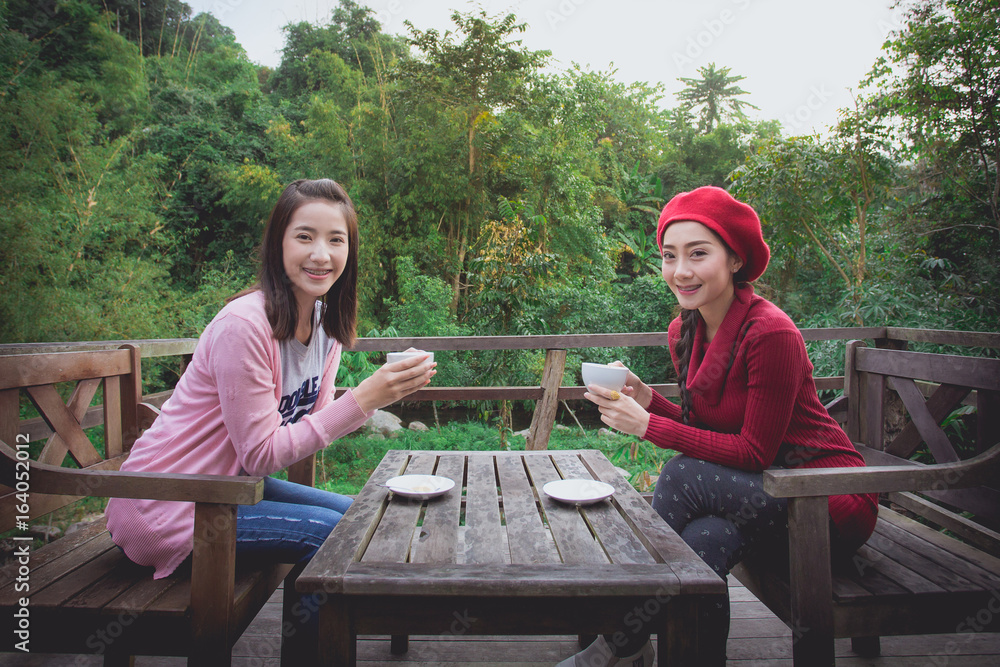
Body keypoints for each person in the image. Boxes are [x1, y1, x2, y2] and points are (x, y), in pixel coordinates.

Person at [105, 178, 435, 644]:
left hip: (226, 488)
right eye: (305, 236)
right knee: (331, 538)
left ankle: (359, 630)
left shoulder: (326, 326)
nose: (321, 253)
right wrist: (365, 398)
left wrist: (378, 396)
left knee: (367, 515)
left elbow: (310, 427)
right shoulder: (245, 325)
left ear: (350, 252)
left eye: (336, 240)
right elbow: (262, 453)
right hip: (165, 504)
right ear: (278, 243)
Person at [558, 186, 877, 667]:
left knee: (684, 475)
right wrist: (647, 399)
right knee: (705, 542)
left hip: (826, 498)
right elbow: (706, 430)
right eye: (669, 255)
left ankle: (619, 645)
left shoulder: (771, 333)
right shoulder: (684, 330)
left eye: (698, 253)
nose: (680, 270)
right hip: (761, 494)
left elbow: (752, 451)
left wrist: (647, 427)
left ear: (734, 260)